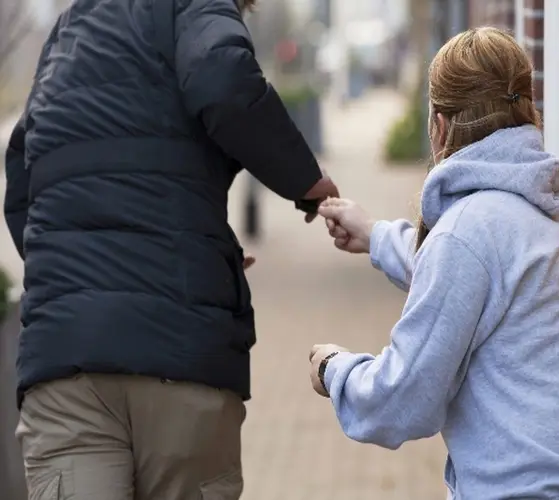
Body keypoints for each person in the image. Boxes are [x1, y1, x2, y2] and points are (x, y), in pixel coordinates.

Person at [3, 0, 337, 498]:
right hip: (179, 356)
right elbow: (223, 80)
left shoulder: (67, 32)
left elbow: (25, 180)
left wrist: (85, 277)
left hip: (68, 366)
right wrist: (306, 183)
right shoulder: (194, 6)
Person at [310, 27, 559, 499]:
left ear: (440, 125)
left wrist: (334, 368)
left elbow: (403, 398)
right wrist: (374, 235)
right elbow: (469, 280)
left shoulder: (468, 230)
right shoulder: (540, 207)